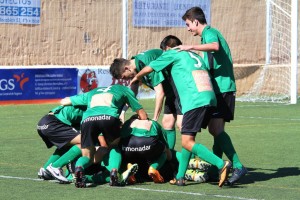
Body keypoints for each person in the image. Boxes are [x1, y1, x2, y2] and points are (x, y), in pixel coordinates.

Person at [130, 35, 231, 187]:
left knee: (187, 141)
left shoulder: (172, 53)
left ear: (168, 48)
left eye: (164, 52)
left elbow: (150, 67)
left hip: (194, 100)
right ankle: (180, 176)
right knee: (188, 138)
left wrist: (136, 76)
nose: (164, 55)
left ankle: (220, 164)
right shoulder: (193, 55)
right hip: (209, 97)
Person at [175, 6, 247, 185]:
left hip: (222, 89)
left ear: (196, 21)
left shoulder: (209, 32)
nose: (188, 28)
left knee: (215, 130)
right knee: (215, 130)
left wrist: (189, 47)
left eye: (188, 24)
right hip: (217, 89)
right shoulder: (206, 36)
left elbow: (214, 46)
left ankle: (237, 166)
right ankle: (217, 170)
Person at [60, 84, 147, 188]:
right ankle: (114, 171)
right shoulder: (124, 89)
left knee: (87, 156)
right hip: (109, 117)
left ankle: (79, 168)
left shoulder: (92, 92)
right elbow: (141, 113)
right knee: (114, 146)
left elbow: (64, 101)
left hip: (87, 120)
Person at [110, 49, 182, 150]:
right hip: (172, 92)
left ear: (127, 68)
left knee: (182, 125)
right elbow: (132, 95)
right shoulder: (135, 66)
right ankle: (169, 158)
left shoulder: (145, 63)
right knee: (167, 123)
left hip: (181, 87)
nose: (126, 80)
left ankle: (182, 157)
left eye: (124, 77)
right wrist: (122, 112)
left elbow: (160, 93)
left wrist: (155, 120)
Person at [36, 105, 86, 183]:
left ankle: (45, 170)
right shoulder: (91, 110)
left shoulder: (84, 103)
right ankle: (55, 166)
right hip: (53, 124)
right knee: (85, 142)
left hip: (43, 123)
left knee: (67, 145)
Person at [119, 114, 171, 183]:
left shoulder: (127, 123)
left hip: (128, 146)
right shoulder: (153, 123)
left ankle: (127, 166)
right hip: (148, 144)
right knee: (164, 152)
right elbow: (169, 155)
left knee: (121, 152)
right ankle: (153, 168)